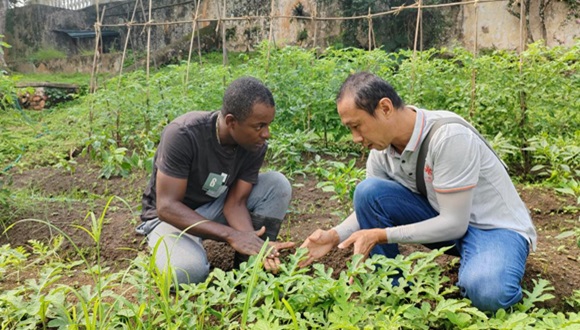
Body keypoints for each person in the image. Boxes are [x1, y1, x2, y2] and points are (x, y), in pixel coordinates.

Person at [300, 72, 536, 312]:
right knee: (368, 191)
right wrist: (334, 235)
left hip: (493, 229)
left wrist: (382, 235)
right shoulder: (381, 152)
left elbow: (455, 224)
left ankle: (493, 263)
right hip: (444, 221)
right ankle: (391, 289)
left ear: (385, 108)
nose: (355, 138)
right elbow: (370, 205)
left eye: (357, 126)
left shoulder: (448, 137)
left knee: (488, 293)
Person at [137, 76, 294, 286]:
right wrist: (231, 235)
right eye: (259, 126)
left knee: (277, 184)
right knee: (186, 272)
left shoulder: (254, 146)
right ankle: (172, 249)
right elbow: (167, 207)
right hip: (170, 220)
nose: (266, 134)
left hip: (213, 207)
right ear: (231, 121)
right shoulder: (184, 134)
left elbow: (236, 203)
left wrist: (253, 242)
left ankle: (249, 269)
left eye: (268, 125)